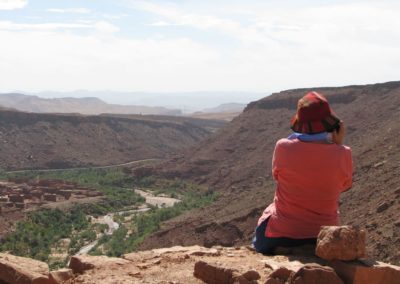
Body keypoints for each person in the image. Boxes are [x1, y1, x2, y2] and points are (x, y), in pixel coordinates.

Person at [253, 91, 353, 254]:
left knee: (267, 220)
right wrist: (338, 146)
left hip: (280, 234)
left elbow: (277, 176)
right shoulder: (344, 153)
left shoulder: (283, 147)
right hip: (323, 236)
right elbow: (344, 186)